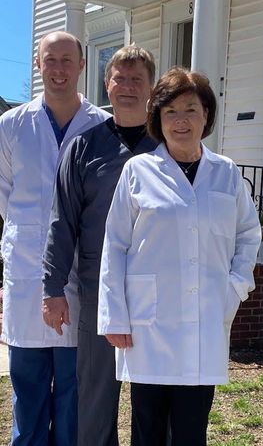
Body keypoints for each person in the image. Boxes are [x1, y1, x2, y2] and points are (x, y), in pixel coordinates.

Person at [97, 67, 262, 446]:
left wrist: (235, 287)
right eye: (170, 111)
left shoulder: (227, 173)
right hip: (148, 327)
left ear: (207, 115)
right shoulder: (137, 170)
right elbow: (115, 245)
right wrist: (115, 315)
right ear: (157, 118)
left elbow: (248, 234)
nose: (181, 120)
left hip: (204, 320)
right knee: (148, 431)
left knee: (192, 431)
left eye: (191, 109)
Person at [41, 44, 158, 446]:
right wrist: (52, 288)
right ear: (106, 84)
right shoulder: (83, 147)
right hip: (99, 292)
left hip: (157, 294)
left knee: (156, 397)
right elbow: (63, 223)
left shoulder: (168, 150)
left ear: (151, 88)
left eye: (136, 79)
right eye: (119, 78)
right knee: (94, 397)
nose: (127, 87)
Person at [0, 31, 110, 445]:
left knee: (72, 389)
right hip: (28, 272)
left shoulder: (101, 125)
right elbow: (4, 193)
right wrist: (32, 232)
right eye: (51, 60)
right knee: (27, 388)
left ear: (82, 65)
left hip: (81, 272)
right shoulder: (10, 125)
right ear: (38, 65)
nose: (59, 69)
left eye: (68, 60)